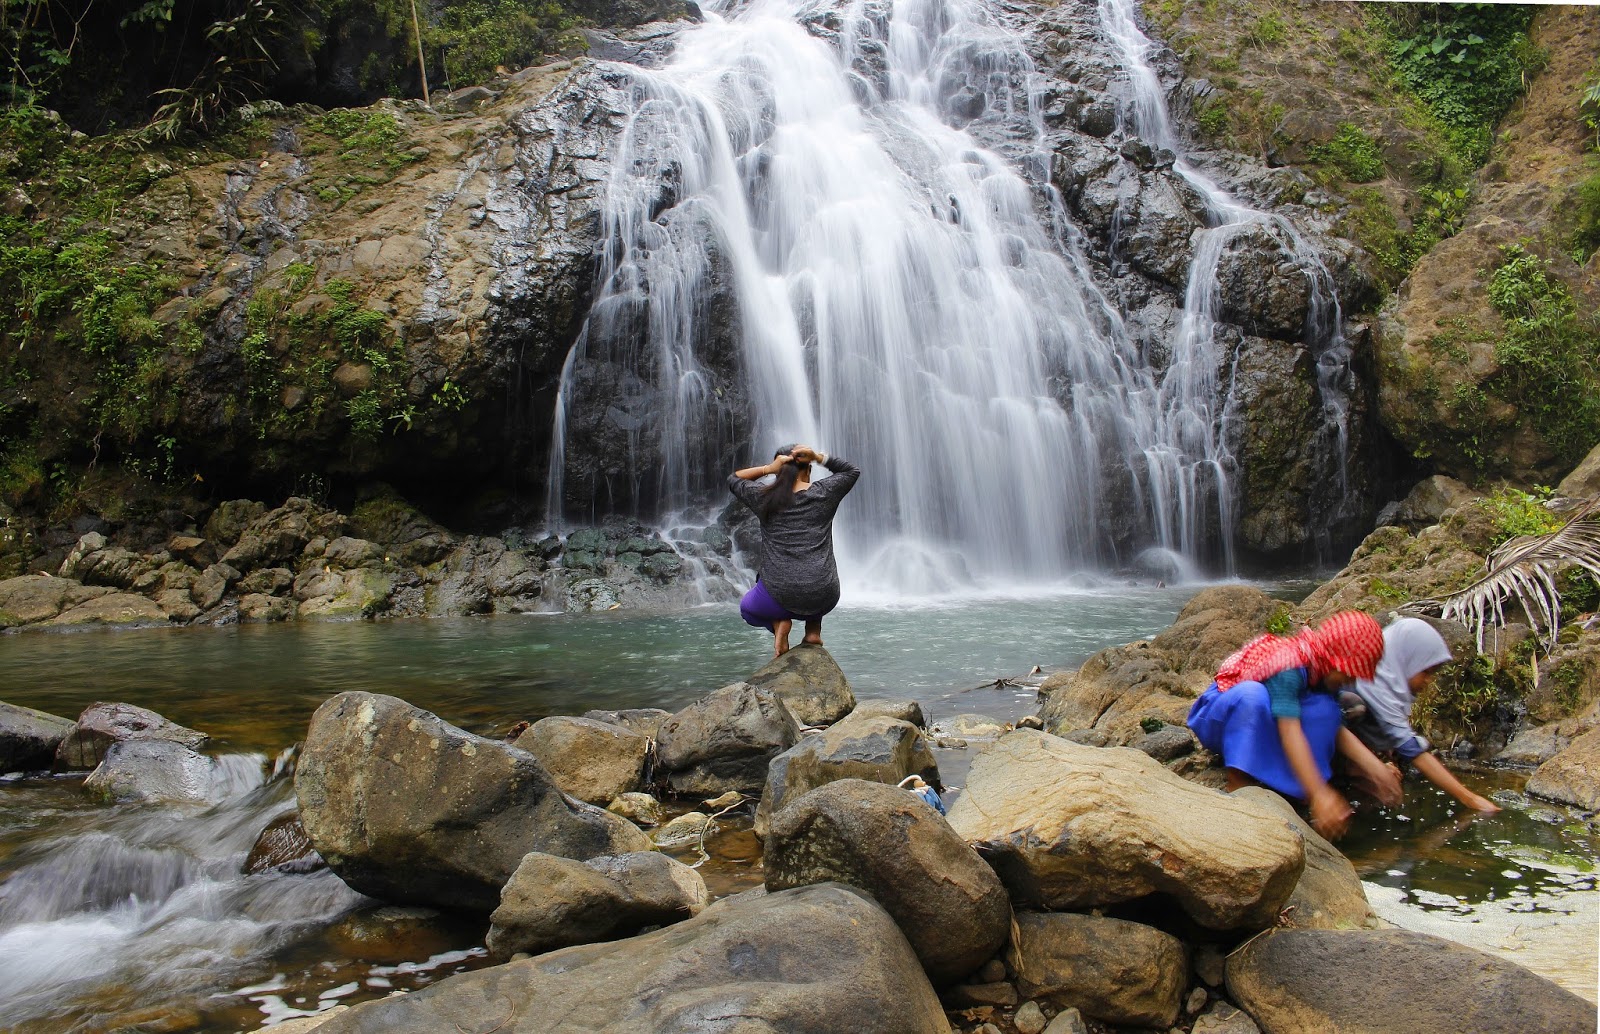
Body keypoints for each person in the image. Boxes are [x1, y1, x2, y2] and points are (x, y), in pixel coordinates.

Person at [1187, 610, 1401, 840]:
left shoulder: (1321, 671)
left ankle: (1295, 787)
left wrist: (1377, 770)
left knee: (1326, 709)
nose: (1353, 680)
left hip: (1264, 724)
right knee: (1253, 696)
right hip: (1220, 720)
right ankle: (1239, 782)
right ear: (1334, 660)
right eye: (1350, 673)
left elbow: (1337, 730)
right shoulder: (1289, 667)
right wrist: (1319, 793)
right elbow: (1290, 731)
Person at [1342, 617, 1501, 814]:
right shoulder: (1372, 679)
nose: (1428, 681)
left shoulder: (1390, 678)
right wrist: (1470, 798)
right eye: (1426, 671)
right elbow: (1412, 750)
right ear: (1407, 659)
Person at [728, 444, 860, 657]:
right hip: (825, 595)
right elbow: (851, 471)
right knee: (814, 568)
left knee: (748, 609)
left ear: (779, 472)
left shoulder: (763, 497)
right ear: (808, 470)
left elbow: (734, 479)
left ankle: (778, 623)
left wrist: (768, 469)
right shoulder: (824, 493)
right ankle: (813, 631)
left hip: (781, 594)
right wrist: (818, 457)